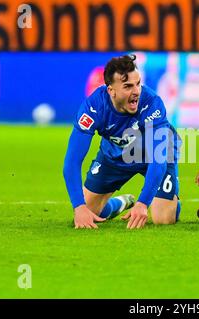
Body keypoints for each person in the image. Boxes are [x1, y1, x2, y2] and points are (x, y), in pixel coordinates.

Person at [63, 54, 181, 229]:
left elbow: (158, 159)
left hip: (155, 154)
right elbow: (72, 161)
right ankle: (118, 205)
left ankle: (171, 199)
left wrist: (142, 203)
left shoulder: (152, 104)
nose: (136, 92)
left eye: (138, 84)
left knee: (163, 218)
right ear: (111, 90)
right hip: (116, 154)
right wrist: (78, 207)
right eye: (127, 86)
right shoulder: (94, 108)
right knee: (87, 212)